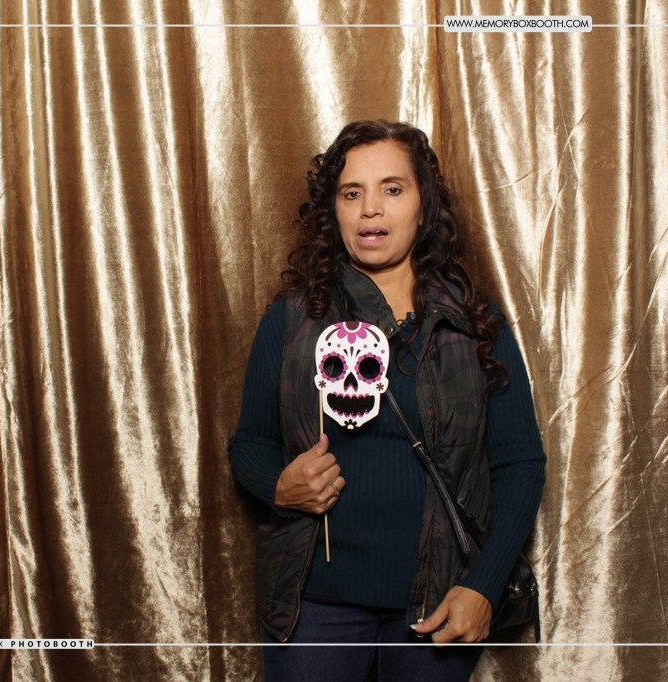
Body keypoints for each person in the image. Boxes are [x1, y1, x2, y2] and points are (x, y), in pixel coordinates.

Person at [228, 119, 546, 681]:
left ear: (424, 206)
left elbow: (520, 464)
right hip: (314, 602)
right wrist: (277, 485)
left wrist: (484, 584)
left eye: (392, 189)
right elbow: (250, 442)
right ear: (334, 211)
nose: (370, 208)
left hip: (441, 600)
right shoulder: (293, 318)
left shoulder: (476, 321)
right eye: (352, 193)